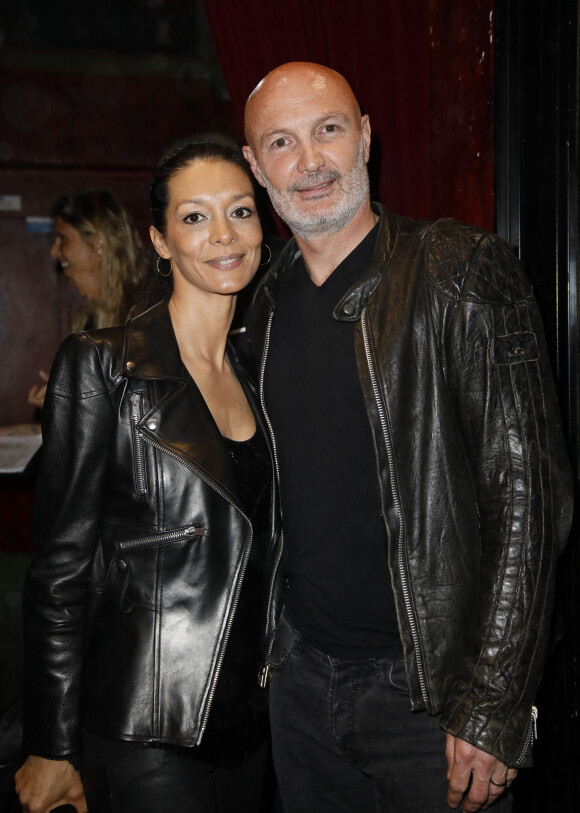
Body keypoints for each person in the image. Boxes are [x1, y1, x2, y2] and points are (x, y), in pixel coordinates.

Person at [242, 62, 573, 813]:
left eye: (328, 130)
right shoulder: (258, 300)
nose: (312, 161)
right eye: (283, 142)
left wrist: (493, 701)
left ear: (364, 137)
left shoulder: (457, 269)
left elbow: (531, 498)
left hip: (430, 696)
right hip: (298, 680)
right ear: (256, 167)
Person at [15, 140, 279, 813]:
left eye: (240, 211)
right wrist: (52, 741)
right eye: (194, 218)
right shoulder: (102, 366)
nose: (222, 234)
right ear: (160, 241)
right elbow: (60, 567)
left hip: (253, 725)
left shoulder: (264, 376)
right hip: (148, 725)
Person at [28, 189, 147, 408]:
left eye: (62, 239)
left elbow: (143, 411)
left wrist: (71, 402)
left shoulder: (147, 317)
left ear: (98, 243)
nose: (54, 252)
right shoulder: (86, 321)